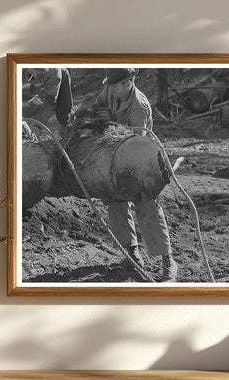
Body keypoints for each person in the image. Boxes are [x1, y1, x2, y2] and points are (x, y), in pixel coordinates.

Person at [94, 68, 178, 281]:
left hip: (140, 162)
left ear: (129, 82)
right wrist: (98, 114)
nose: (111, 89)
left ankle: (167, 260)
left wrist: (110, 119)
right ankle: (131, 253)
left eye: (115, 86)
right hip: (114, 159)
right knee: (114, 200)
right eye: (110, 85)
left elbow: (133, 143)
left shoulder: (139, 107)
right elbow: (95, 106)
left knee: (146, 205)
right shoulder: (109, 90)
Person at [24, 68, 73, 137]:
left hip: (53, 75)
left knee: (64, 73)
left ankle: (65, 125)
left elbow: (50, 102)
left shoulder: (54, 73)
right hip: (24, 72)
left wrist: (37, 127)